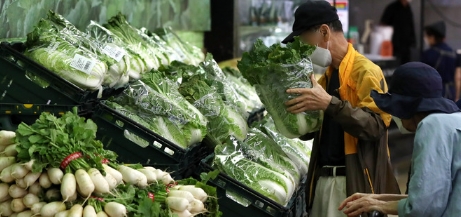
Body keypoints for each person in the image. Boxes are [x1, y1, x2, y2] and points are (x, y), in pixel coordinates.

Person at [281, 1, 400, 216]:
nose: (304, 50)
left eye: (304, 42)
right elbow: (322, 129)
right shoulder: (326, 76)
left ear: (324, 32)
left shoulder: (366, 72)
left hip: (352, 186)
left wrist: (328, 103)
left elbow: (375, 126)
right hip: (323, 181)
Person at [338, 62, 461, 217]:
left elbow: (423, 208)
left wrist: (380, 205)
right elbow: (432, 196)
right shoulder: (453, 122)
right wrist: (376, 199)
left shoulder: (431, 126)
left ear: (406, 108)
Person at [421, 21, 458, 101]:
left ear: (432, 37)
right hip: (451, 93)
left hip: (435, 93)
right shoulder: (453, 53)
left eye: (427, 36)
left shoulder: (428, 54)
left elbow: (422, 77)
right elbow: (458, 77)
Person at [380, 0, 416, 65]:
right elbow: (383, 24)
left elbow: (411, 25)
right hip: (394, 45)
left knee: (406, 66)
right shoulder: (392, 7)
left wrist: (412, 40)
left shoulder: (408, 8)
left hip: (406, 46)